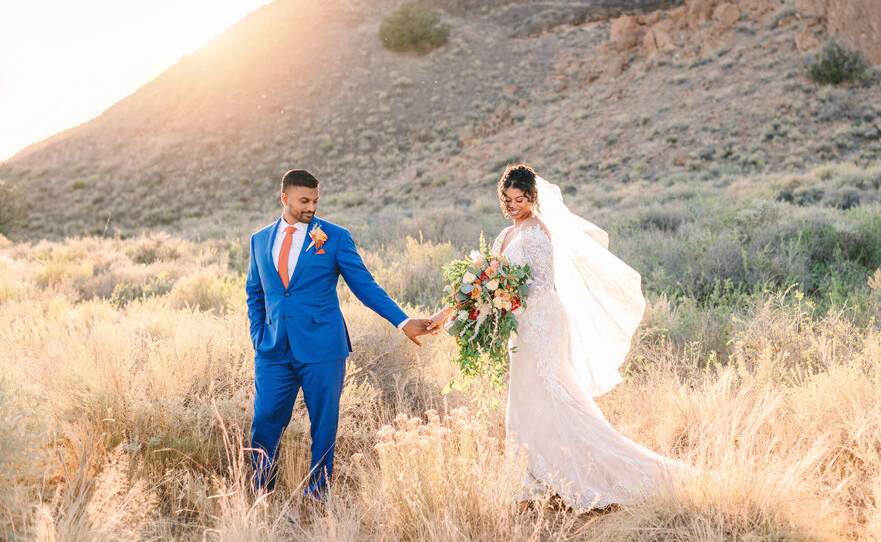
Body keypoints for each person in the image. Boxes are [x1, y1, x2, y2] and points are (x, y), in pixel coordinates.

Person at [430, 164, 686, 510]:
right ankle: (533, 480)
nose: (513, 205)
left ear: (533, 198)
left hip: (543, 322)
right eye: (507, 200)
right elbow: (480, 284)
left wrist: (504, 296)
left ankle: (574, 473)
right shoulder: (503, 236)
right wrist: (458, 310)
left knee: (551, 393)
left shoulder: (537, 233)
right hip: (520, 325)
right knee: (525, 398)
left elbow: (543, 285)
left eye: (519, 199)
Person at [245, 168, 434, 499]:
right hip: (273, 350)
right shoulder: (259, 239)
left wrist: (403, 322)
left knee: (323, 427)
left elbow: (365, 286)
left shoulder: (334, 237)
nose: (311, 208)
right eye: (304, 201)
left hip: (323, 348)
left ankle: (317, 497)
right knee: (264, 423)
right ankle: (261, 492)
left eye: (316, 201)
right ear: (284, 198)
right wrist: (259, 336)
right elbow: (255, 293)